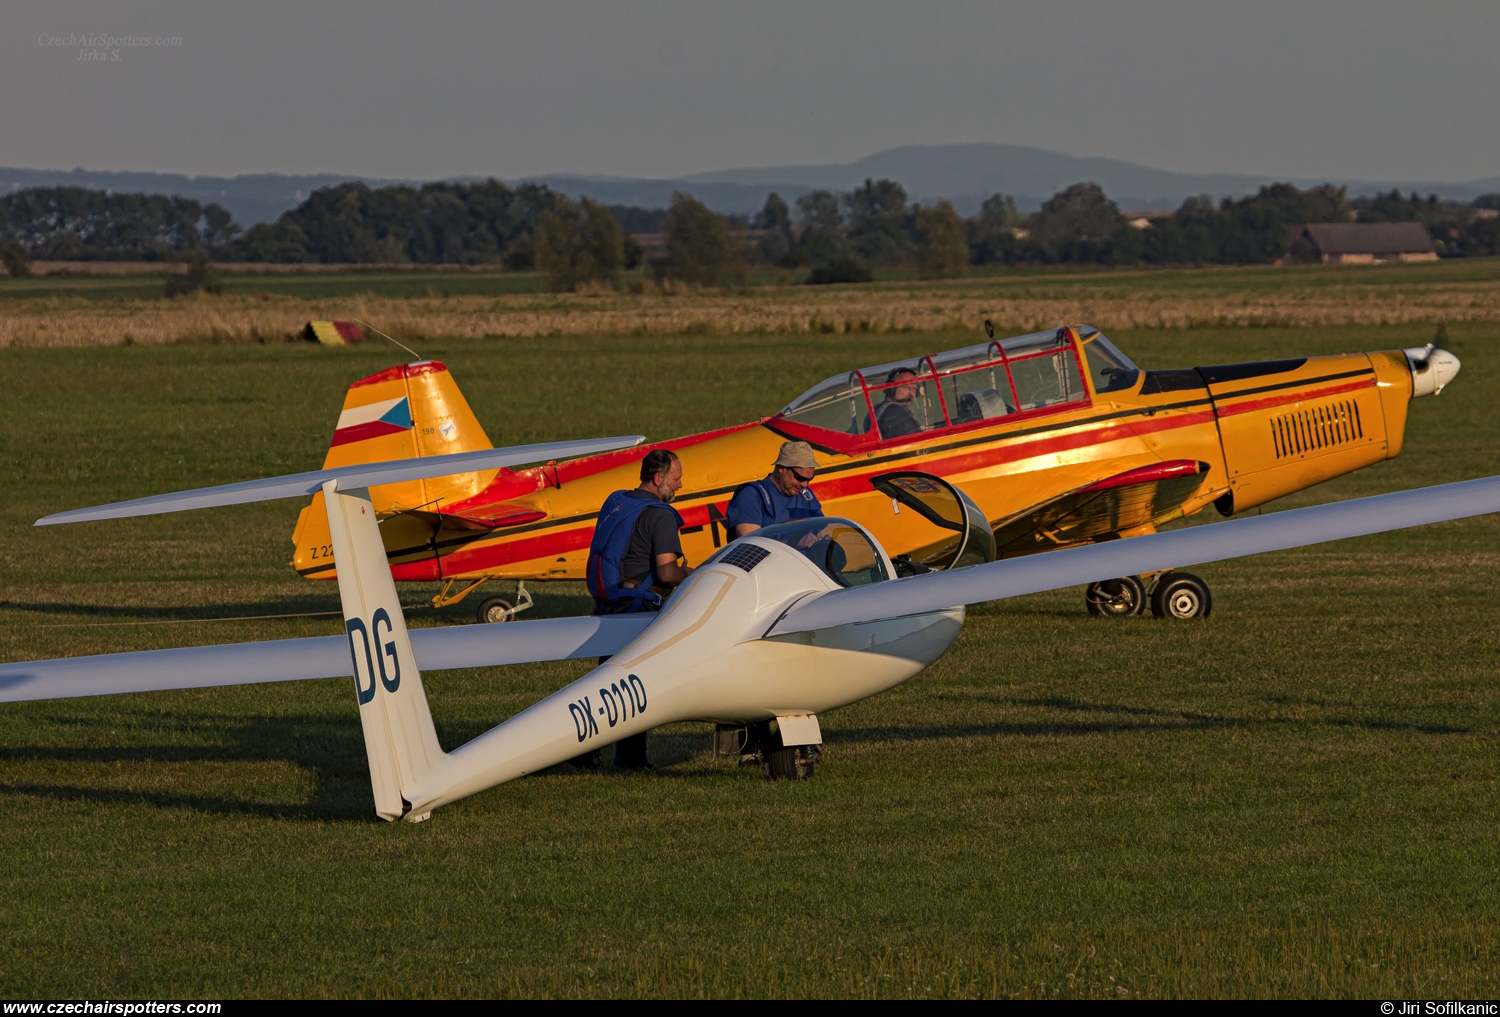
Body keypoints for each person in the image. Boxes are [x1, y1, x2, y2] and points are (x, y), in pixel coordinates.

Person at [579, 447, 693, 771]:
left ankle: (596, 751)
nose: (680, 485)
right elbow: (668, 572)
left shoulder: (618, 501)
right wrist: (696, 574)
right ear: (658, 479)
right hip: (637, 610)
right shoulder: (661, 515)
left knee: (607, 684)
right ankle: (626, 759)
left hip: (610, 602)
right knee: (635, 685)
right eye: (676, 479)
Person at [726, 441, 824, 539]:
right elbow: (752, 547)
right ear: (781, 468)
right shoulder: (750, 496)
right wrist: (795, 541)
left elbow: (819, 534)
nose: (805, 485)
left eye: (809, 479)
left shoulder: (805, 495)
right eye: (800, 478)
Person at [874, 367, 924, 439]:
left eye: (914, 389)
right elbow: (918, 440)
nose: (911, 393)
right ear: (892, 388)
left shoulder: (876, 409)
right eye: (907, 387)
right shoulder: (896, 413)